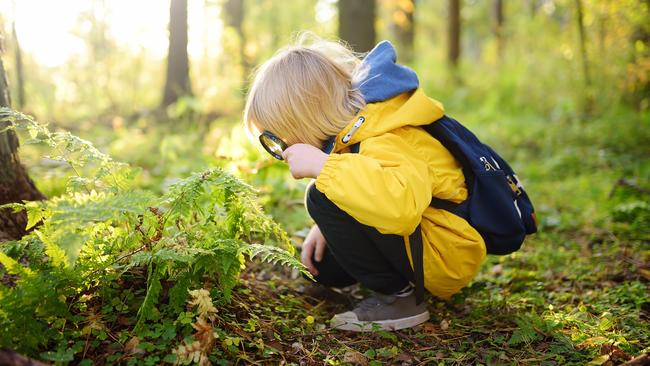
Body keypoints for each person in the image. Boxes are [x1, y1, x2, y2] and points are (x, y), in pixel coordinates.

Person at [243, 34, 486, 332]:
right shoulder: (354, 131)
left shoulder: (384, 133)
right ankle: (386, 283)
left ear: (305, 119)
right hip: (426, 240)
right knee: (325, 266)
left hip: (444, 252)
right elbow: (368, 181)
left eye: (278, 138)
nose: (280, 150)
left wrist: (324, 168)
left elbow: (401, 206)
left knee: (319, 196)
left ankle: (399, 300)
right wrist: (327, 225)